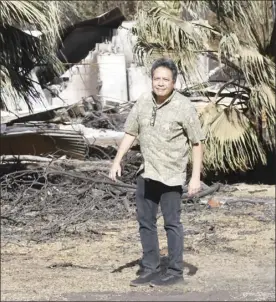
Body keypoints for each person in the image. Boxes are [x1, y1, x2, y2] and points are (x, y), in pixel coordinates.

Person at [109, 58, 205, 287]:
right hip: (147, 172)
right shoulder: (143, 101)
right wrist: (116, 161)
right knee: (145, 223)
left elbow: (197, 143)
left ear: (173, 82)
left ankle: (174, 272)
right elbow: (131, 132)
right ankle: (150, 268)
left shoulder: (184, 106)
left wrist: (195, 177)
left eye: (165, 79)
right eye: (157, 78)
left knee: (172, 224)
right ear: (152, 79)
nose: (160, 83)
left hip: (171, 175)